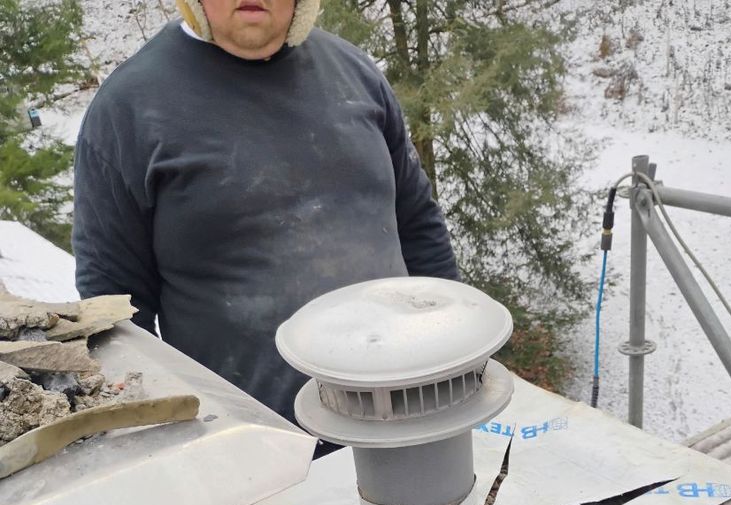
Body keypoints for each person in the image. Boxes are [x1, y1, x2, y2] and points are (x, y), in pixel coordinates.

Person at [73, 0, 459, 426]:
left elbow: (420, 225)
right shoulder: (126, 109)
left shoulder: (355, 73)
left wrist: (454, 352)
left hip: (409, 405)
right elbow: (115, 304)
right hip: (255, 443)